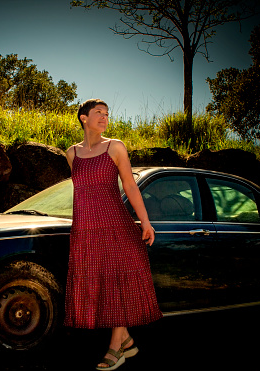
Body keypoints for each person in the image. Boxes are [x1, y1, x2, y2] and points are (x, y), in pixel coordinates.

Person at [64, 99, 162, 370]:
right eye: (99, 113)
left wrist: (145, 222)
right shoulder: (72, 153)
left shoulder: (115, 147)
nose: (104, 118)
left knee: (118, 281)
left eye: (107, 114)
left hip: (115, 224)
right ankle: (126, 339)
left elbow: (129, 185)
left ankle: (115, 346)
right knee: (103, 284)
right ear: (84, 118)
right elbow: (81, 193)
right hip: (85, 228)